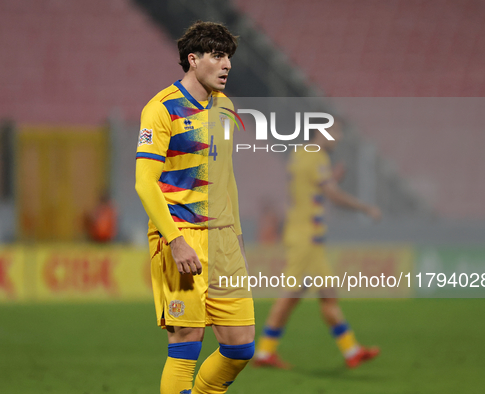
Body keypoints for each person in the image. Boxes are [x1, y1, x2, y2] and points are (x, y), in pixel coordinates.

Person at [135, 21, 255, 394]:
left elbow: (225, 175)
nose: (227, 65)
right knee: (186, 344)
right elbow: (144, 182)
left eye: (228, 57)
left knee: (240, 346)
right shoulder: (160, 109)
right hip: (181, 236)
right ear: (193, 59)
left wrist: (236, 236)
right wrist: (174, 240)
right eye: (218, 56)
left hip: (223, 240)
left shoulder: (226, 107)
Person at [253, 121, 382, 369]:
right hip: (306, 240)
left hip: (305, 237)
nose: (338, 138)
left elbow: (308, 187)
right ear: (322, 132)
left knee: (326, 294)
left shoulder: (301, 153)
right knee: (291, 295)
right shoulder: (318, 157)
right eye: (336, 132)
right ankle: (263, 353)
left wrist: (329, 180)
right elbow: (331, 195)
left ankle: (351, 351)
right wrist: (365, 208)